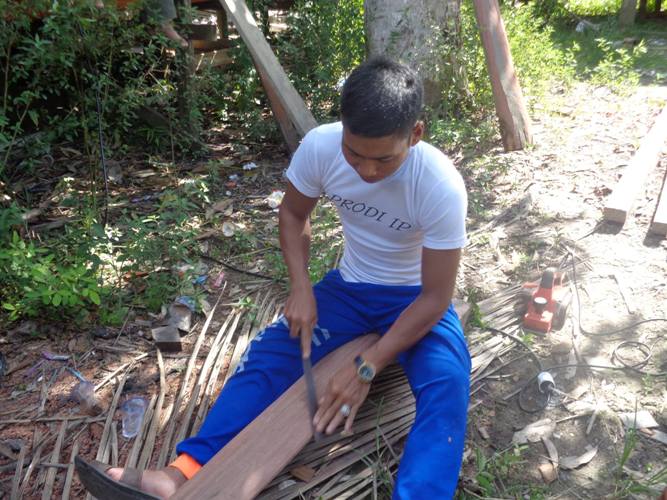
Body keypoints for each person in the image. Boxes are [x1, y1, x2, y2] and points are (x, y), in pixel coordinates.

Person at [76, 57, 471, 499]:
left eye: (383, 159)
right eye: (354, 153)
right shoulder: (321, 147)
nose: (367, 170)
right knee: (267, 356)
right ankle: (180, 473)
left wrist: (367, 365)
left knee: (448, 385)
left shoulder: (440, 186)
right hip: (350, 289)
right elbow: (293, 213)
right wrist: (301, 286)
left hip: (413, 299)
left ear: (414, 134)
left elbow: (436, 296)